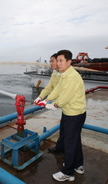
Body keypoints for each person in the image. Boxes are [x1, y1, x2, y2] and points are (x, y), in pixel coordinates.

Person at [36, 50, 86, 182]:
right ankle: (78, 165)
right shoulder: (65, 74)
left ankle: (68, 172)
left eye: (60, 61)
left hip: (74, 114)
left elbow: (65, 96)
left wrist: (54, 105)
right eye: (57, 60)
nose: (58, 63)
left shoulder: (71, 76)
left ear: (69, 62)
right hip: (71, 112)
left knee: (69, 143)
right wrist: (45, 100)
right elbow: (57, 89)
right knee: (74, 140)